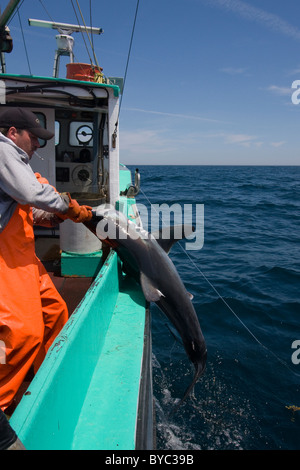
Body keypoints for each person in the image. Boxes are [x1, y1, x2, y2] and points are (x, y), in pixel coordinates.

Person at [0, 107, 92, 411]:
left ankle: (45, 379)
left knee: (55, 313)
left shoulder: (19, 161)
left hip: (24, 253)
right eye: (34, 137)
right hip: (5, 258)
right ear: (13, 132)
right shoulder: (3, 150)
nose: (38, 144)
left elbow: (22, 208)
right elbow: (29, 193)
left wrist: (51, 218)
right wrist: (67, 207)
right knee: (23, 334)